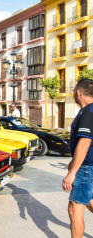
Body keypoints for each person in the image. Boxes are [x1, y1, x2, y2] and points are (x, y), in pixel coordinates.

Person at [62, 78, 93, 238]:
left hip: (87, 168)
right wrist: (74, 161)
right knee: (89, 200)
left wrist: (73, 172)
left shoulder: (88, 111)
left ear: (78, 92)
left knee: (75, 208)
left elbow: (85, 142)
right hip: (88, 165)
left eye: (74, 91)